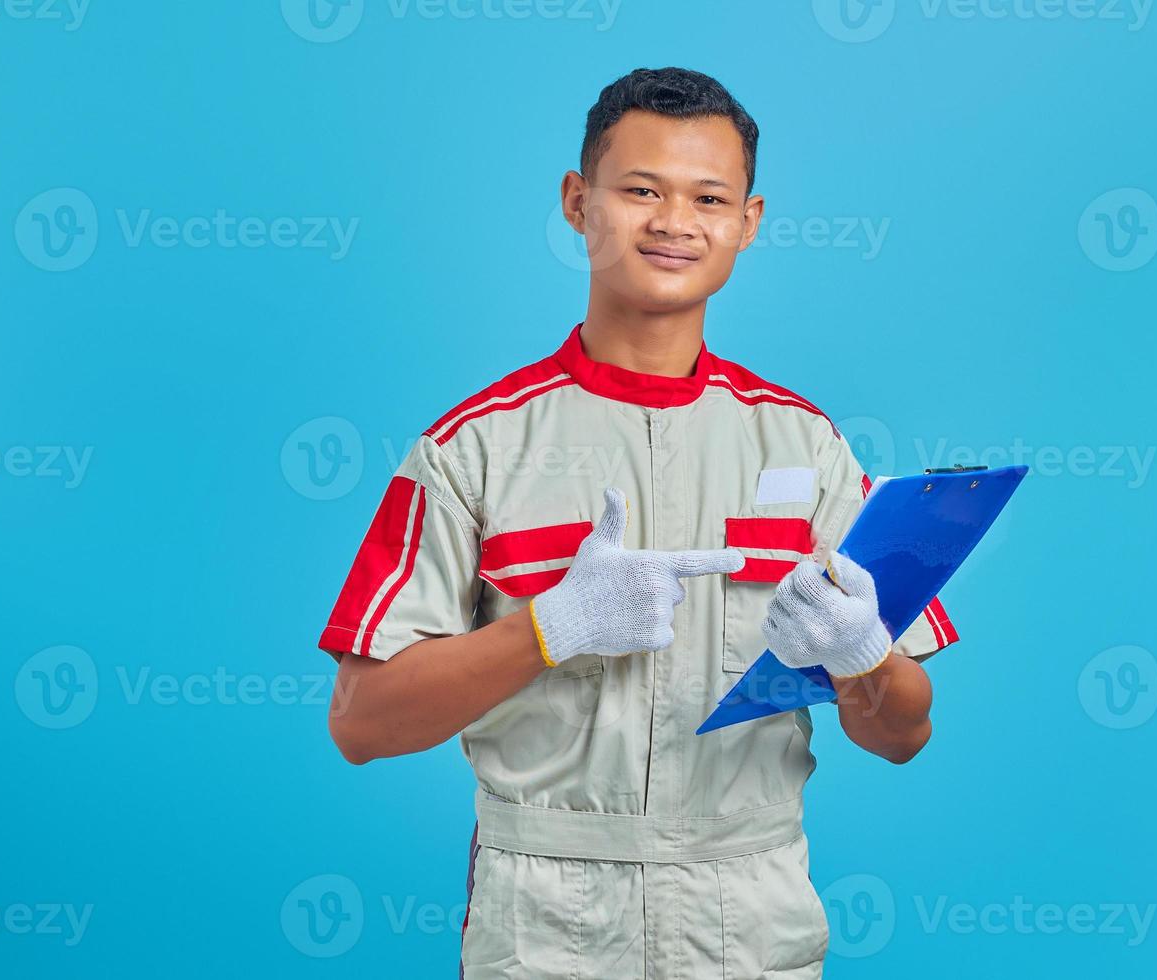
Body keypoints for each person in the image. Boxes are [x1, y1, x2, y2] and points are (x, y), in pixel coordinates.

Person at [318, 66, 958, 978]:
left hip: (750, 919)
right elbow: (361, 723)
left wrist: (865, 659)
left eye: (709, 197)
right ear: (579, 203)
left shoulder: (808, 447)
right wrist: (552, 627)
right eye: (640, 191)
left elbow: (903, 734)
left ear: (750, 221)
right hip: (545, 924)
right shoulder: (472, 449)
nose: (673, 222)